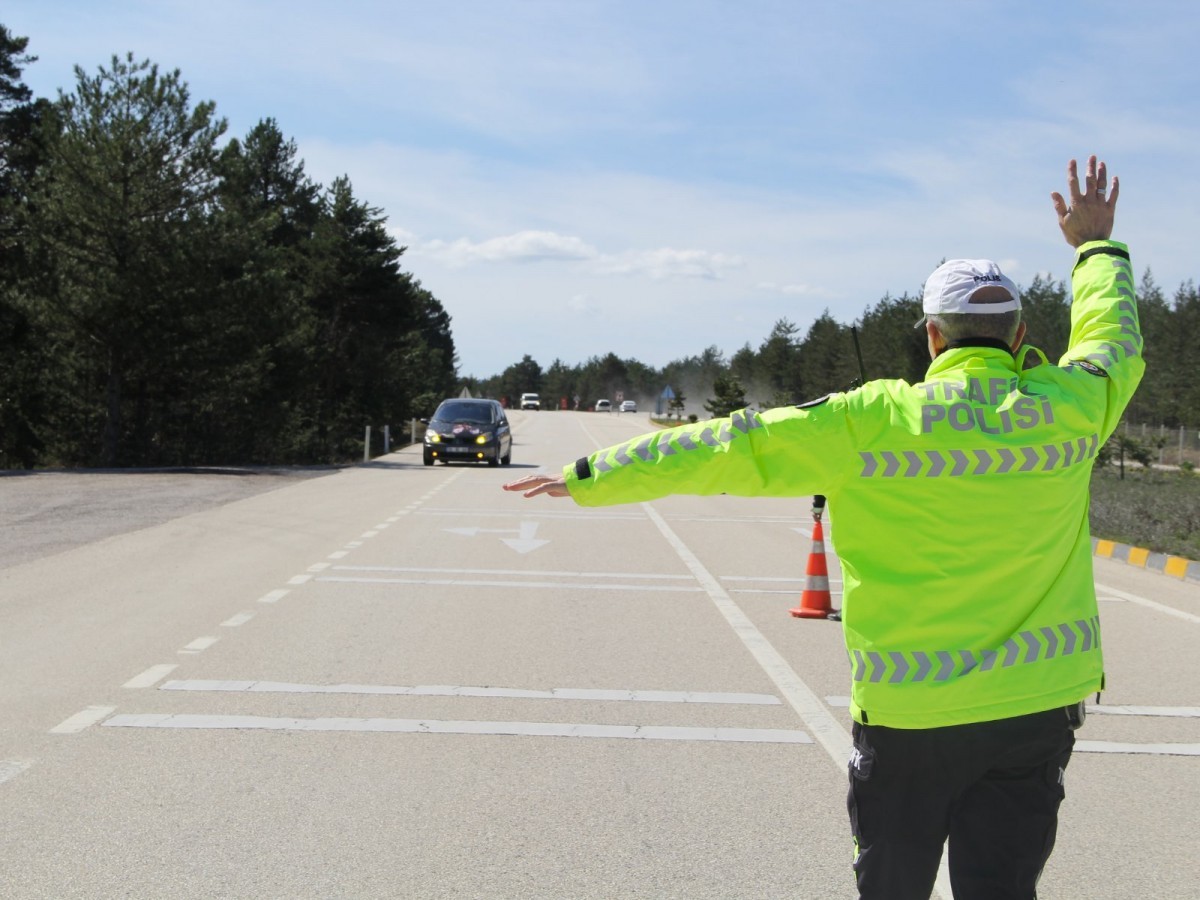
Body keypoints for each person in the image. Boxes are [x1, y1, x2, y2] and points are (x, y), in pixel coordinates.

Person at [503, 155, 1142, 899]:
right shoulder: (1073, 407)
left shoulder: (870, 421)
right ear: (1020, 331)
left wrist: (590, 476)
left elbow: (722, 447)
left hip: (912, 718)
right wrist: (1095, 247)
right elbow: (1111, 340)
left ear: (933, 336)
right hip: (1036, 712)